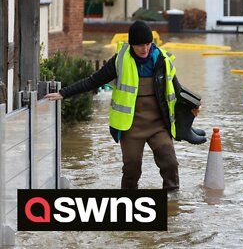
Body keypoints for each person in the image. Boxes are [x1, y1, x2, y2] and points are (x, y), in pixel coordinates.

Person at [45, 20, 206, 190]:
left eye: (148, 44)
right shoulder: (119, 61)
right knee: (132, 169)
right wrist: (64, 93)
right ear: (131, 45)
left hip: (159, 125)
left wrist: (194, 106)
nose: (144, 49)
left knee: (170, 164)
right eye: (139, 45)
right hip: (131, 126)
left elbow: (177, 90)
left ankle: (172, 204)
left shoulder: (163, 60)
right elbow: (93, 81)